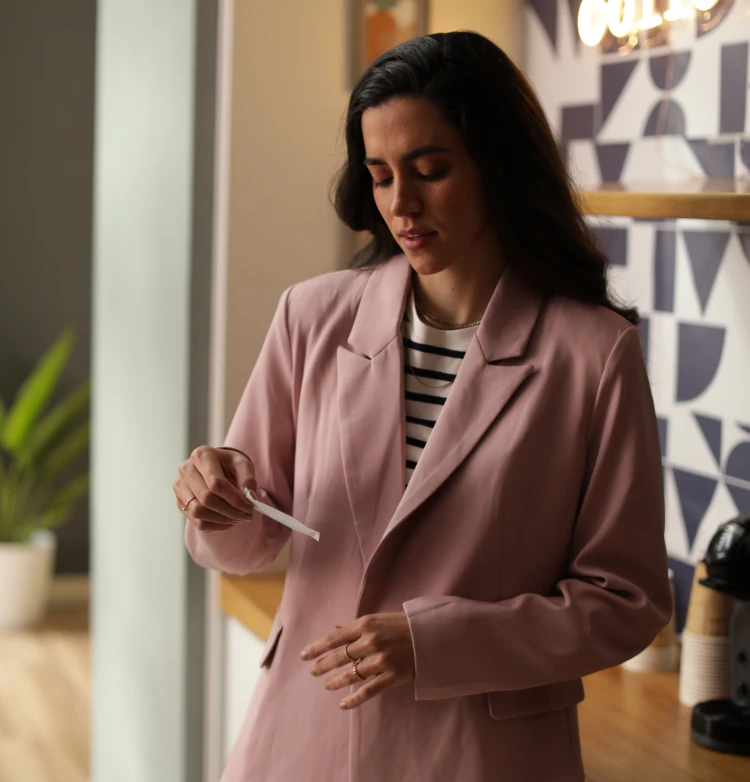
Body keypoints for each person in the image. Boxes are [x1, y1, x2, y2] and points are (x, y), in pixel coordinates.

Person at [175, 30, 672, 782]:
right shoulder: (311, 317)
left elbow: (627, 601)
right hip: (304, 736)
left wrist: (437, 642)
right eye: (379, 176)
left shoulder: (593, 354)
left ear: (497, 167)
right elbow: (244, 544)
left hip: (482, 756)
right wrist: (217, 503)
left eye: (430, 170)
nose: (400, 203)